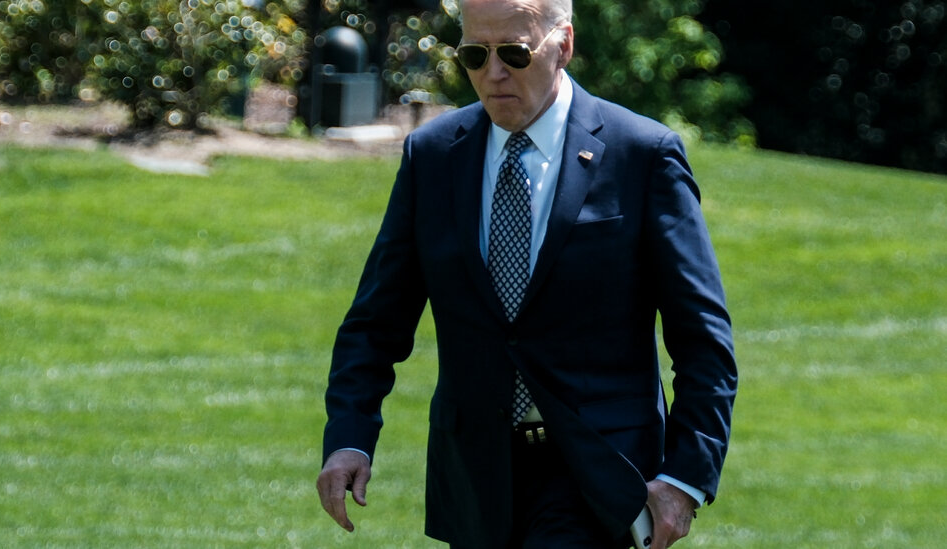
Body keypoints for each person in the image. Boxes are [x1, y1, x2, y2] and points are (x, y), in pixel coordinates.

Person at [316, 0, 737, 546]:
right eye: (475, 54)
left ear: (563, 45)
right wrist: (349, 438)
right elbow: (375, 323)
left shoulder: (643, 156)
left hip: (599, 479)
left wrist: (684, 479)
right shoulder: (433, 156)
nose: (492, 73)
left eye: (514, 53)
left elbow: (703, 339)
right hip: (476, 482)